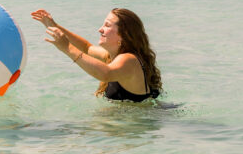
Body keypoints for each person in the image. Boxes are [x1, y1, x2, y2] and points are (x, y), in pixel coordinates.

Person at [32, 7, 161, 102]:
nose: (100, 29)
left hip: (136, 127)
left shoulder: (129, 60)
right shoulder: (112, 56)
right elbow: (86, 48)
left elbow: (106, 74)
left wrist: (66, 48)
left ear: (123, 35)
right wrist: (53, 25)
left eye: (107, 25)